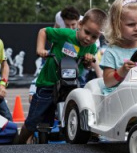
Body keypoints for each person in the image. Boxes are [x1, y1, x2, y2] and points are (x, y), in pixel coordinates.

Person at [18, 8, 107, 144]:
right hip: (47, 84)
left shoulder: (91, 47)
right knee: (33, 122)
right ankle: (18, 143)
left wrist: (88, 61)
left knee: (68, 119)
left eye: (94, 37)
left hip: (69, 87)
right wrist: (40, 49)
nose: (89, 38)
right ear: (80, 24)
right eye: (87, 32)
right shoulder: (66, 34)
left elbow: (87, 66)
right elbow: (44, 32)